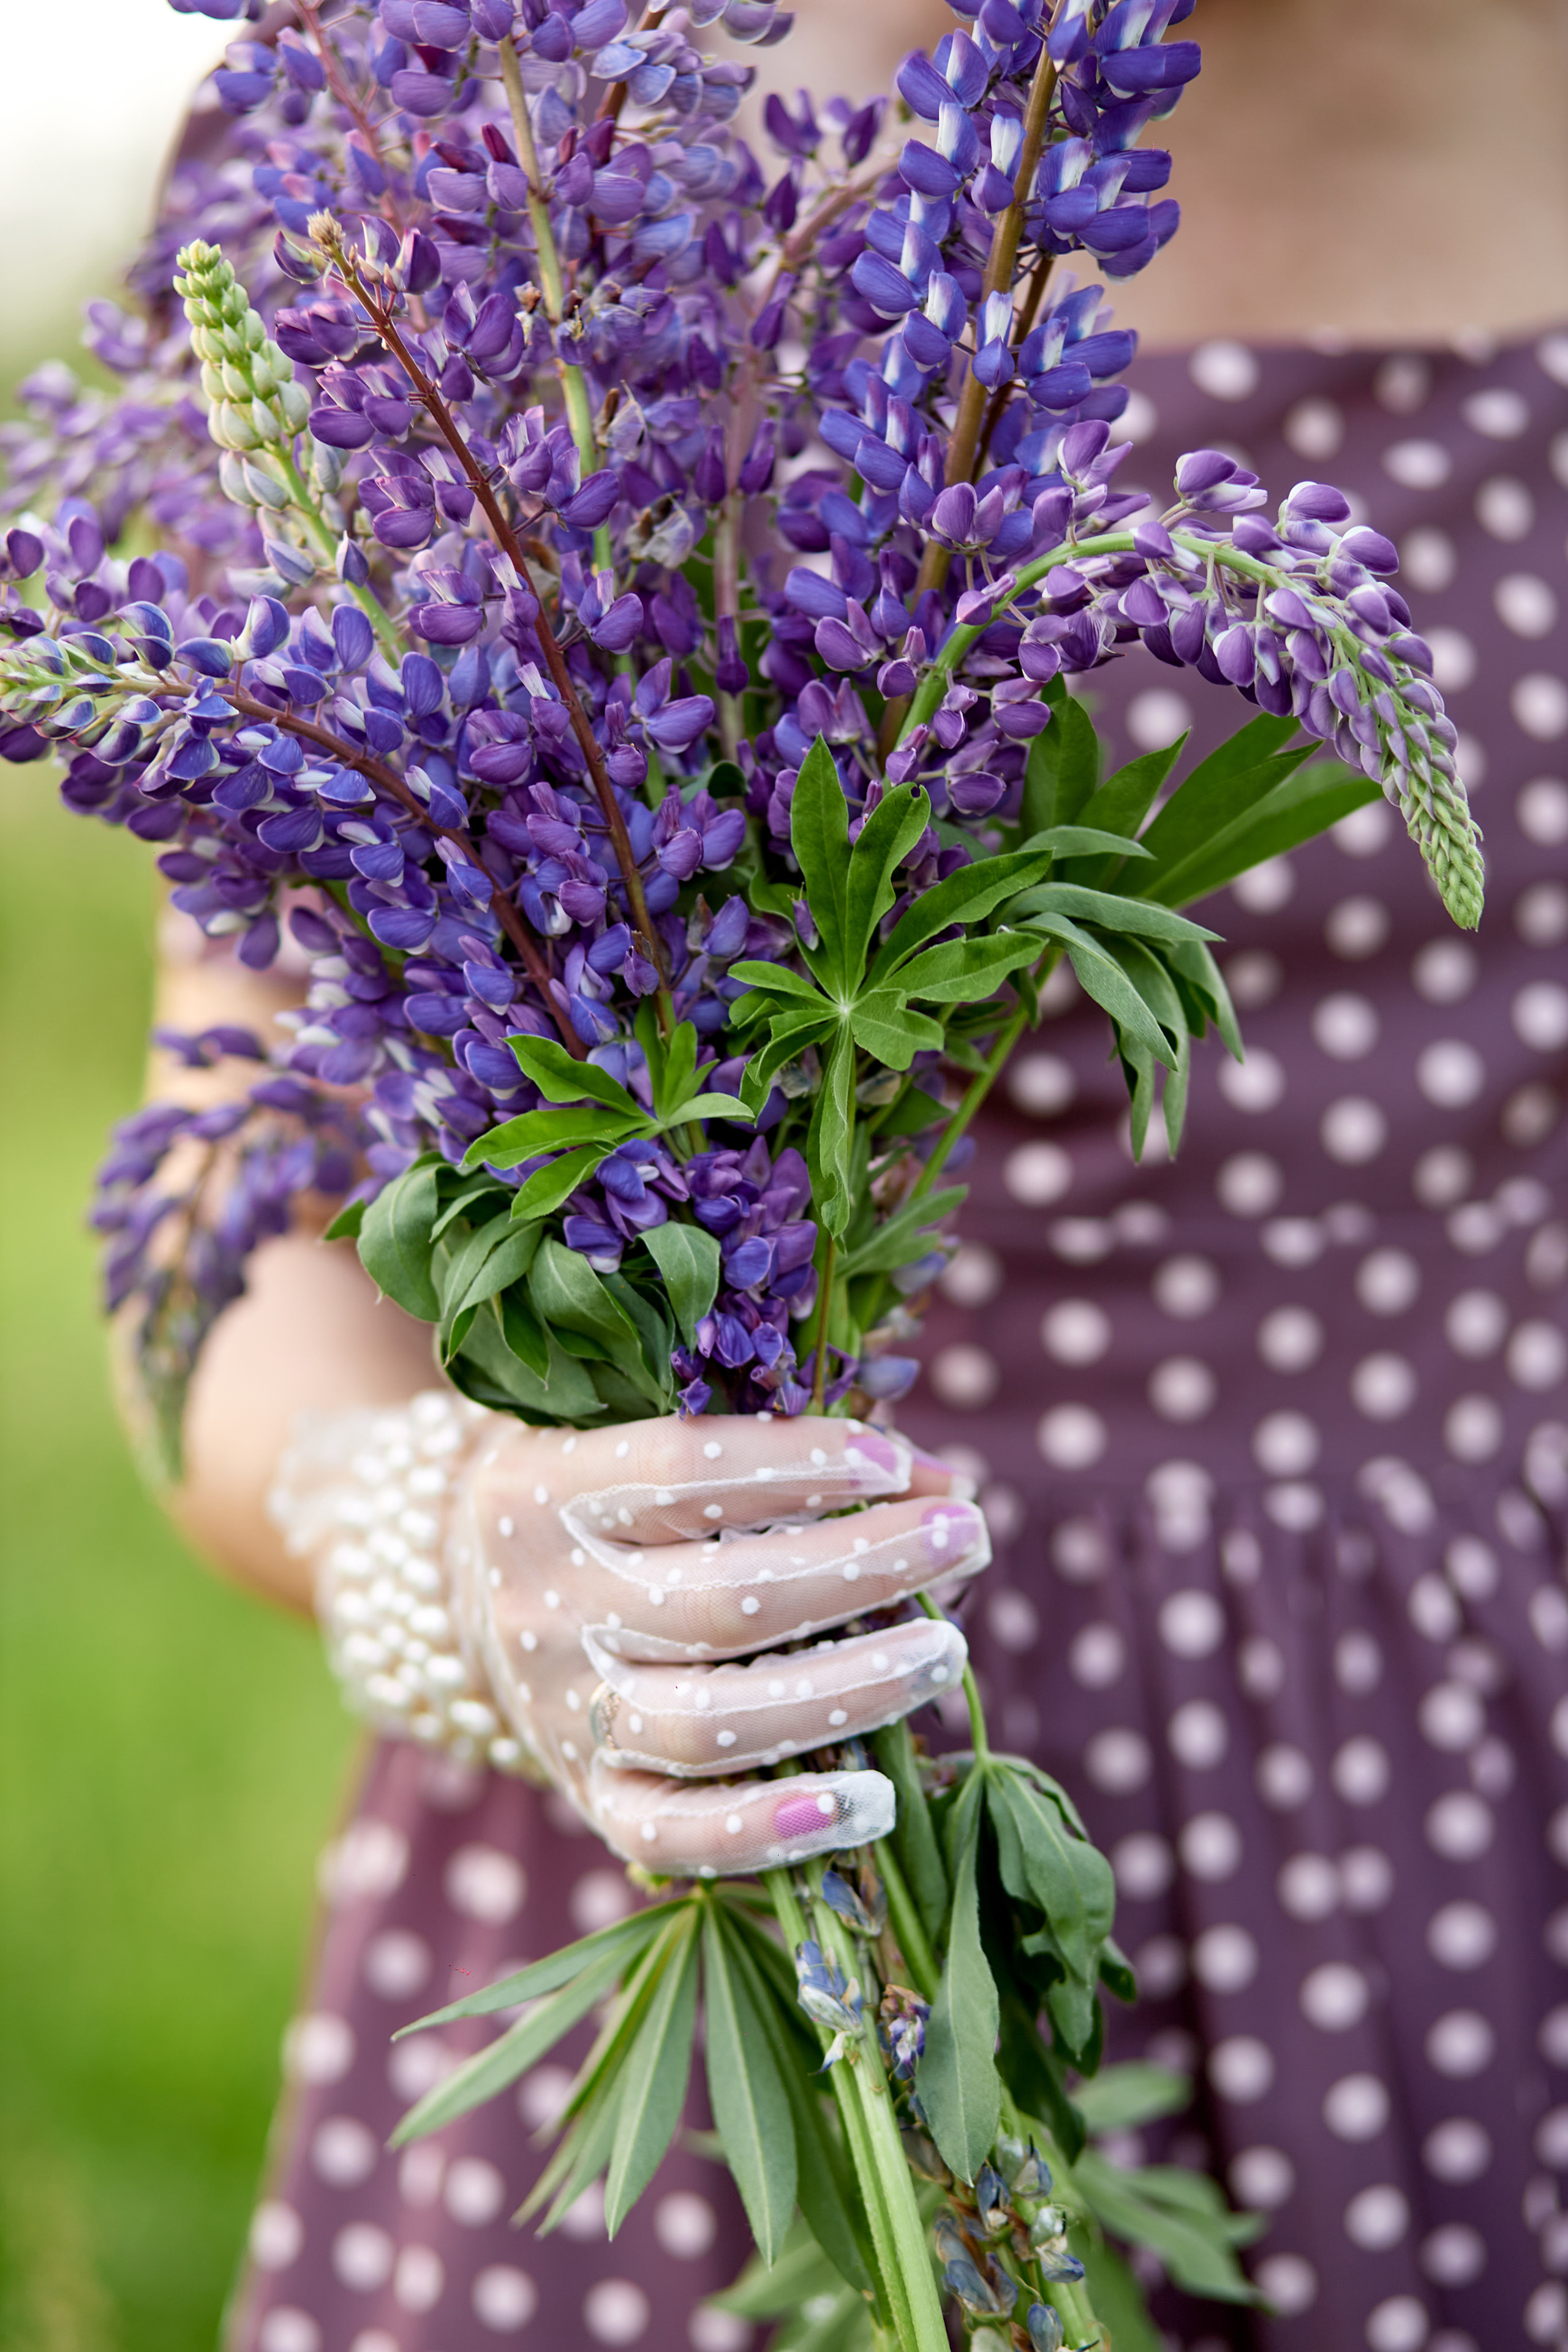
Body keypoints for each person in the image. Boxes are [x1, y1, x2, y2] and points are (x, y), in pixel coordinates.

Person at [119, 1, 1568, 2347]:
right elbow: (213, 1251)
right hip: (704, 1771)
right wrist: (449, 1552)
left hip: (1443, 1791)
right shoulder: (413, 120)